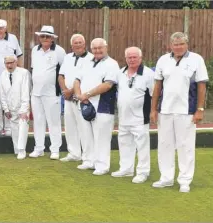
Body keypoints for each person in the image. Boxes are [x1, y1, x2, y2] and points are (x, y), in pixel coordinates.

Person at [151, 32, 207, 193]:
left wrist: (200, 109)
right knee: (164, 145)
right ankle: (166, 178)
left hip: (187, 111)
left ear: (187, 44)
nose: (178, 47)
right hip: (165, 110)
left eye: (181, 44)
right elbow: (157, 87)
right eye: (175, 44)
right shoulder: (163, 60)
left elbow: (202, 86)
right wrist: (154, 109)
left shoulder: (196, 59)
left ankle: (185, 180)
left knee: (186, 146)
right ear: (170, 45)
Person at [74, 38, 119, 176]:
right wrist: (79, 95)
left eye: (100, 48)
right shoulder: (86, 62)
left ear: (106, 48)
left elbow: (107, 85)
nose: (97, 51)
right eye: (95, 48)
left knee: (102, 136)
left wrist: (86, 94)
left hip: (103, 106)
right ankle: (89, 160)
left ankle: (102, 165)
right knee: (86, 134)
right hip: (85, 103)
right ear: (91, 49)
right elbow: (77, 80)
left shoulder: (112, 64)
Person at [111, 47, 154, 183]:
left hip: (140, 118)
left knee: (142, 145)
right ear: (125, 59)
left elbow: (154, 95)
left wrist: (153, 111)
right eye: (129, 57)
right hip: (123, 118)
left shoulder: (148, 74)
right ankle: (126, 169)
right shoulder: (120, 73)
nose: (132, 59)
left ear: (140, 58)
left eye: (135, 57)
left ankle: (143, 172)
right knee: (124, 143)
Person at [29, 26, 65, 159]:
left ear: (52, 38)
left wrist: (63, 88)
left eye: (47, 36)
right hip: (36, 92)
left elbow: (63, 71)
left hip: (52, 93)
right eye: (42, 36)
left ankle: (55, 149)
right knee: (38, 121)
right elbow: (34, 69)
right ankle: (39, 148)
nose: (45, 39)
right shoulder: (35, 50)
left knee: (53, 121)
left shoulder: (60, 51)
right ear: (39, 37)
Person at [58, 34, 93, 162]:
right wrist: (65, 91)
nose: (78, 45)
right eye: (75, 43)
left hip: (81, 97)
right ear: (71, 45)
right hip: (67, 98)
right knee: (69, 125)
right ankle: (74, 153)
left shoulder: (91, 58)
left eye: (80, 42)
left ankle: (87, 156)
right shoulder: (67, 57)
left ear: (84, 44)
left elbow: (85, 78)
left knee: (84, 127)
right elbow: (61, 76)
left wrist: (72, 91)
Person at [0, 55, 31, 159]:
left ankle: (22, 150)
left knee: (22, 126)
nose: (9, 65)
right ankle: (17, 149)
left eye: (11, 62)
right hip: (11, 107)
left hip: (22, 106)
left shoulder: (24, 73)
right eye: (7, 63)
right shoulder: (3, 74)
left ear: (16, 62)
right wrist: (5, 109)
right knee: (14, 129)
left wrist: (24, 109)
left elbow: (26, 91)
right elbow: (2, 93)